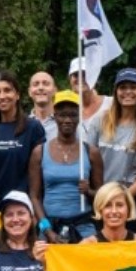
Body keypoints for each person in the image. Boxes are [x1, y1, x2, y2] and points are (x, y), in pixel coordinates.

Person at [86, 67, 136, 235]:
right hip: (100, 199)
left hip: (131, 200)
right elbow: (87, 159)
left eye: (133, 87)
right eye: (123, 87)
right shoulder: (100, 120)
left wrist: (123, 197)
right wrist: (103, 196)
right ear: (116, 91)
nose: (128, 92)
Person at [31, 90, 103, 243]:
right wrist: (47, 230)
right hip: (50, 228)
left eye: (73, 115)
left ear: (80, 117)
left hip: (84, 229)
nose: (67, 120)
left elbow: (102, 196)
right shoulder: (40, 152)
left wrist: (89, 191)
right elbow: (35, 197)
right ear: (55, 116)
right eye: (62, 115)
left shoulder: (91, 152)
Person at [0, 72, 48, 204]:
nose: (2, 96)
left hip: (23, 205)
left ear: (17, 94)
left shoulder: (32, 127)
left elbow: (40, 171)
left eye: (7, 90)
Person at [28, 70, 60, 140]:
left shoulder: (66, 123)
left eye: (46, 84)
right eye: (36, 84)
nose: (41, 88)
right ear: (29, 92)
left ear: (55, 90)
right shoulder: (23, 124)